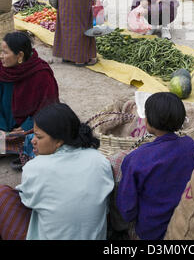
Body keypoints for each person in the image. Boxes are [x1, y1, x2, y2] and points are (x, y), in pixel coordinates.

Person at [0, 103, 114, 240]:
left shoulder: (36, 167)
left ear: (59, 141)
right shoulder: (100, 159)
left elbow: (28, 202)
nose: (33, 141)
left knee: (3, 194)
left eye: (39, 137)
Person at [116, 92, 194, 240]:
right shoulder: (190, 145)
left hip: (151, 232)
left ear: (148, 121)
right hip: (184, 224)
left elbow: (127, 209)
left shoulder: (136, 159)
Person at [0, 32, 59, 159]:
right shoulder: (2, 70)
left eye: (5, 52)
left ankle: (16, 147)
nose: (1, 56)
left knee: (44, 139)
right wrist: (2, 128)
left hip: (30, 128)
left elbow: (48, 107)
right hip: (3, 126)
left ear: (20, 55)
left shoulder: (41, 73)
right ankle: (11, 146)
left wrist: (27, 126)